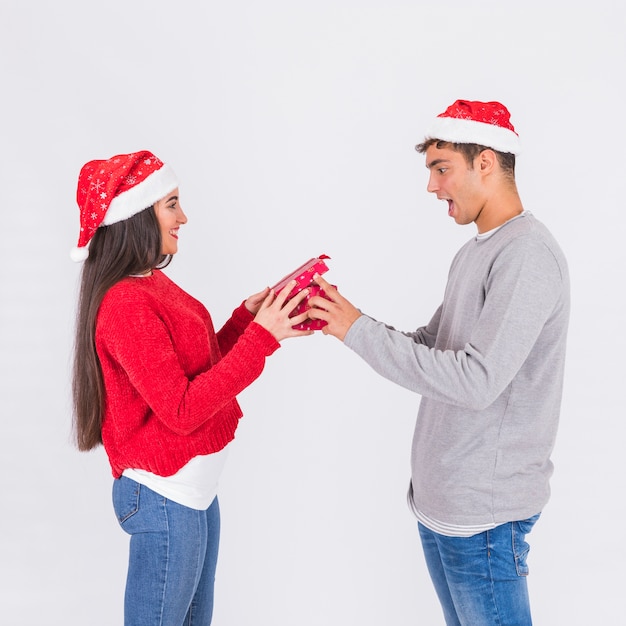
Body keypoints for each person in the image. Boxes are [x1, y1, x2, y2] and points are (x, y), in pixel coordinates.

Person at [308, 100, 570, 625]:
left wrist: (354, 328)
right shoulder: (478, 250)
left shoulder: (526, 255)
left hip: (484, 519)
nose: (432, 187)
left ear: (486, 164)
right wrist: (346, 320)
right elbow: (435, 344)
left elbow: (476, 382)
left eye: (441, 168)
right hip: (445, 508)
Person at [70, 150, 312, 625]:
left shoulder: (151, 283)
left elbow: (194, 373)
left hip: (194, 495)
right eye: (172, 204)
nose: (184, 217)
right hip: (164, 501)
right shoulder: (125, 304)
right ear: (137, 215)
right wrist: (262, 339)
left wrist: (247, 321)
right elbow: (181, 408)